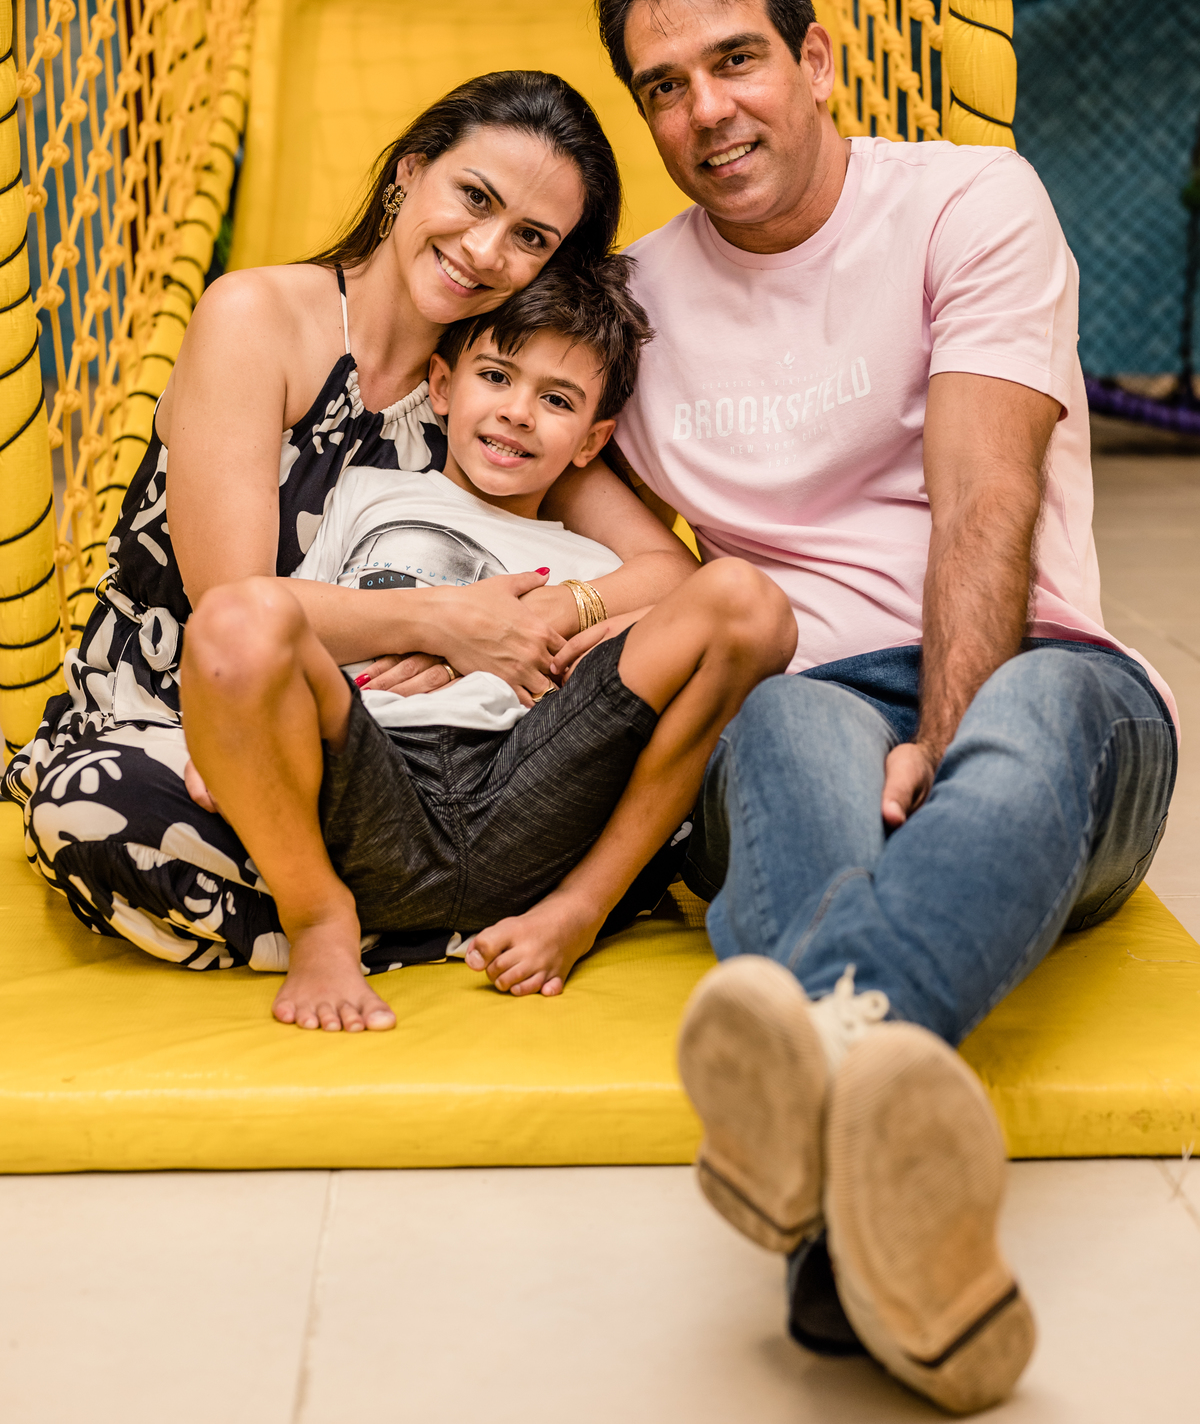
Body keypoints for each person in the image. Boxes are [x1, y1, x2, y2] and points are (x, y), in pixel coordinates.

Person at [592, 0, 1178, 1414]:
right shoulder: (631, 304)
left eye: (737, 59)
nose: (707, 109)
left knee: (1038, 704)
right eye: (663, 87)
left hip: (1043, 691)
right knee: (780, 713)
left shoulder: (967, 199)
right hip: (810, 703)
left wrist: (947, 731)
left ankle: (826, 1034)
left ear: (816, 60)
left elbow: (986, 500)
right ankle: (867, 1253)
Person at [5, 70, 697, 977]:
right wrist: (445, 622)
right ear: (409, 171)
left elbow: (668, 574)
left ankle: (404, 892)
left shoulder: (492, 393)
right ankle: (427, 908)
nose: (485, 250)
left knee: (672, 777)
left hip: (404, 767)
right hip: (194, 719)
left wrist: (536, 618)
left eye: (531, 238)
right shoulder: (258, 318)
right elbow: (233, 601)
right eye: (474, 197)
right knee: (93, 805)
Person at [178, 260, 796, 1029]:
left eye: (557, 399)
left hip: (530, 781)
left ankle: (581, 906)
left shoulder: (591, 557)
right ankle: (319, 919)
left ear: (592, 440)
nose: (518, 413)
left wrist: (574, 614)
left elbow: (692, 598)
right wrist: (228, 726)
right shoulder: (366, 492)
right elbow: (288, 620)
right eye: (497, 376)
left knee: (751, 602)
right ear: (442, 387)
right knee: (232, 618)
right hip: (371, 771)